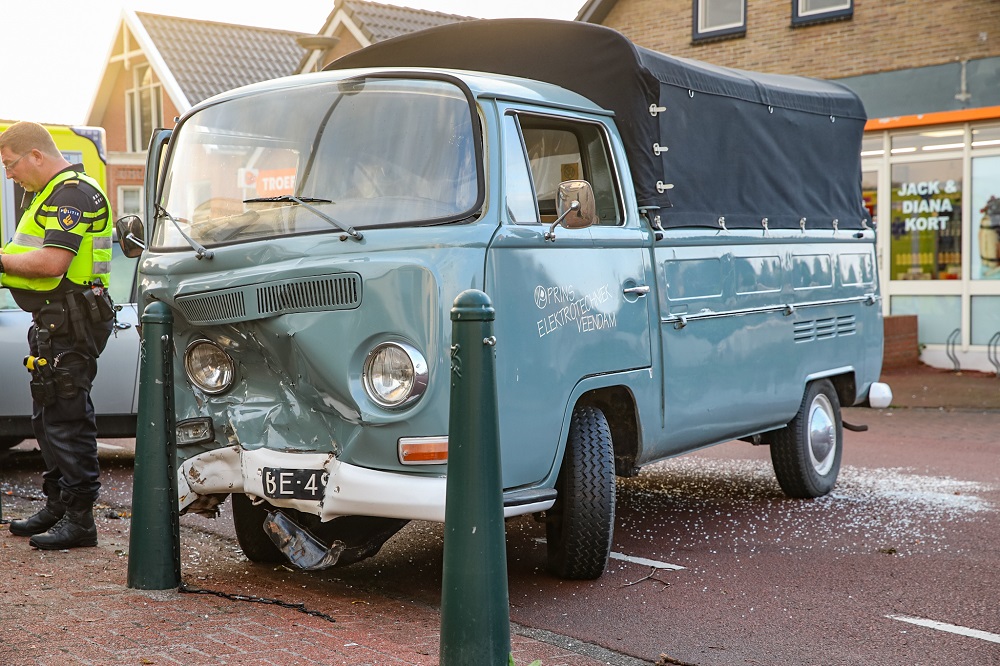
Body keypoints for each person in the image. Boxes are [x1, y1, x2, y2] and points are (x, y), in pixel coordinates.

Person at [0, 121, 115, 550]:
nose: (9, 174)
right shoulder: (47, 194)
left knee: (68, 416)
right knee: (46, 415)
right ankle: (57, 505)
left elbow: (51, 264)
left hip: (72, 318)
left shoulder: (73, 194)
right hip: (53, 318)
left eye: (11, 164)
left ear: (36, 156)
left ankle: (82, 520)